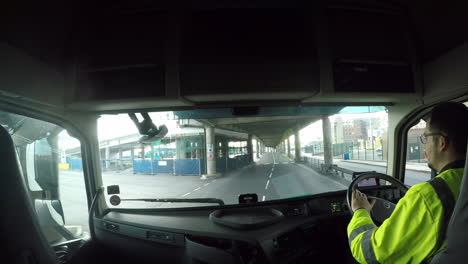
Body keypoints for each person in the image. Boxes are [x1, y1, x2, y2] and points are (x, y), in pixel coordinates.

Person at [348, 102, 468, 264]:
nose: (424, 144)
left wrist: (361, 211)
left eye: (426, 137)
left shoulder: (427, 196)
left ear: (441, 142)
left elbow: (372, 252)